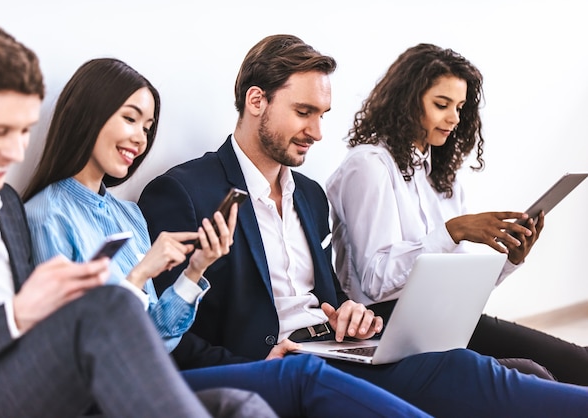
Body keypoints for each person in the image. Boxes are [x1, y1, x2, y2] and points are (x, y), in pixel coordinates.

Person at [138, 33, 588, 417]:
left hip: (339, 347)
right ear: (257, 100)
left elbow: (334, 298)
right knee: (463, 371)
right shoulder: (185, 191)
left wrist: (352, 313)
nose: (316, 132)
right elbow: (169, 333)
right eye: (303, 112)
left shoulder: (310, 196)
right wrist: (257, 362)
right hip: (281, 363)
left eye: (322, 115)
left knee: (514, 372)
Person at [23, 56, 436, 418]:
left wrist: (195, 270)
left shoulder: (126, 213)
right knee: (305, 376)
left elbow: (160, 333)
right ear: (88, 114)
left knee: (439, 361)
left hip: (162, 367)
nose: (140, 138)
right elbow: (81, 341)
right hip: (118, 384)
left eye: (147, 126)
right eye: (130, 119)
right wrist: (141, 275)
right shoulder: (48, 213)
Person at [0, 17, 277, 418]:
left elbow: (150, 340)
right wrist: (19, 314)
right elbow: (71, 334)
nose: (16, 152)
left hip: (50, 377)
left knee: (240, 405)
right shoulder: (43, 212)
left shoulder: (3, 207)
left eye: (24, 131)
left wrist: (195, 270)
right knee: (108, 304)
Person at [324, 43, 588, 386]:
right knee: (542, 373)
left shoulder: (440, 176)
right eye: (441, 104)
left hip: (445, 318)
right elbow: (376, 283)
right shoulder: (369, 166)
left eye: (460, 107)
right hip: (389, 325)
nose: (454, 118)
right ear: (407, 100)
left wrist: (510, 260)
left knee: (577, 361)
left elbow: (457, 285)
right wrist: (452, 232)